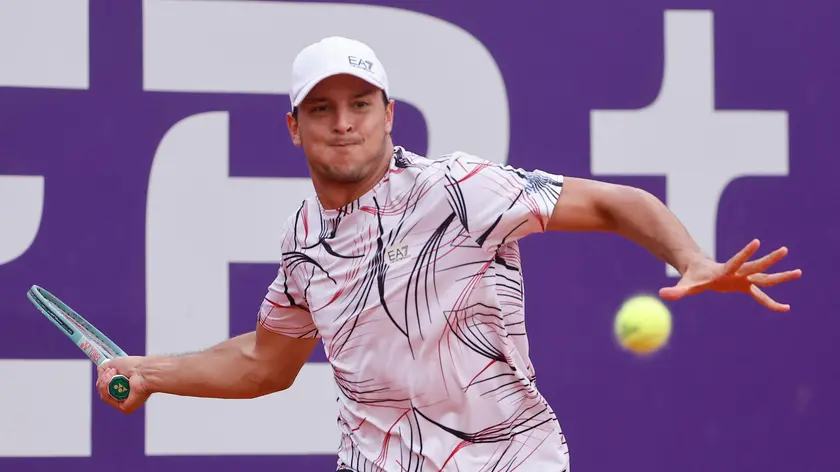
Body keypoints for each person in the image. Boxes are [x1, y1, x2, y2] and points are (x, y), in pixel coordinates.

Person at [96, 37, 802, 471]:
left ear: (389, 114)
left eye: (361, 104)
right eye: (321, 109)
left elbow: (617, 203)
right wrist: (149, 373)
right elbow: (263, 363)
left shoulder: (461, 189)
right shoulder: (304, 241)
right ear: (293, 127)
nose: (343, 124)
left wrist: (690, 256)